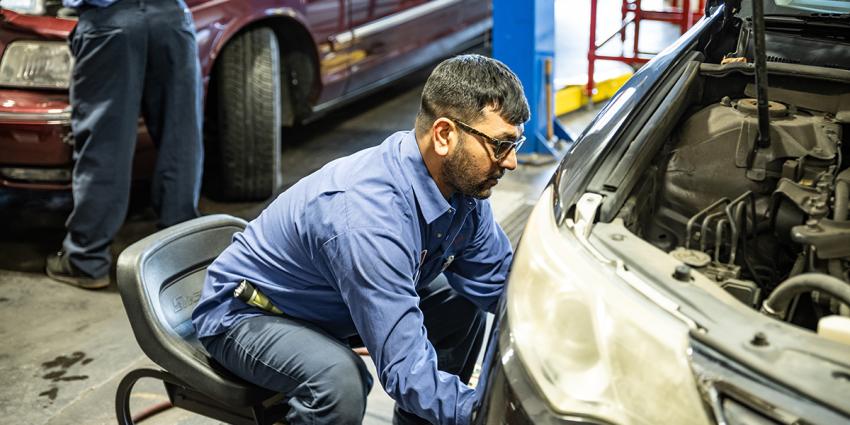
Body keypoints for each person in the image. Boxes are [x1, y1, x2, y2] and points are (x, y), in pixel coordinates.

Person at [192, 54, 529, 425]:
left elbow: (503, 288)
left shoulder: (464, 191)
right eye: (500, 145)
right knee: (338, 382)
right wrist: (489, 415)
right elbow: (404, 369)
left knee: (456, 304)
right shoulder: (371, 217)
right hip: (249, 313)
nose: (511, 161)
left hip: (331, 301)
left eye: (516, 144)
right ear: (445, 135)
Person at [46, 0, 204, 289]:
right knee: (181, 137)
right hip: (171, 17)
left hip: (110, 20)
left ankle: (86, 260)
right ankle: (183, 256)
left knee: (106, 142)